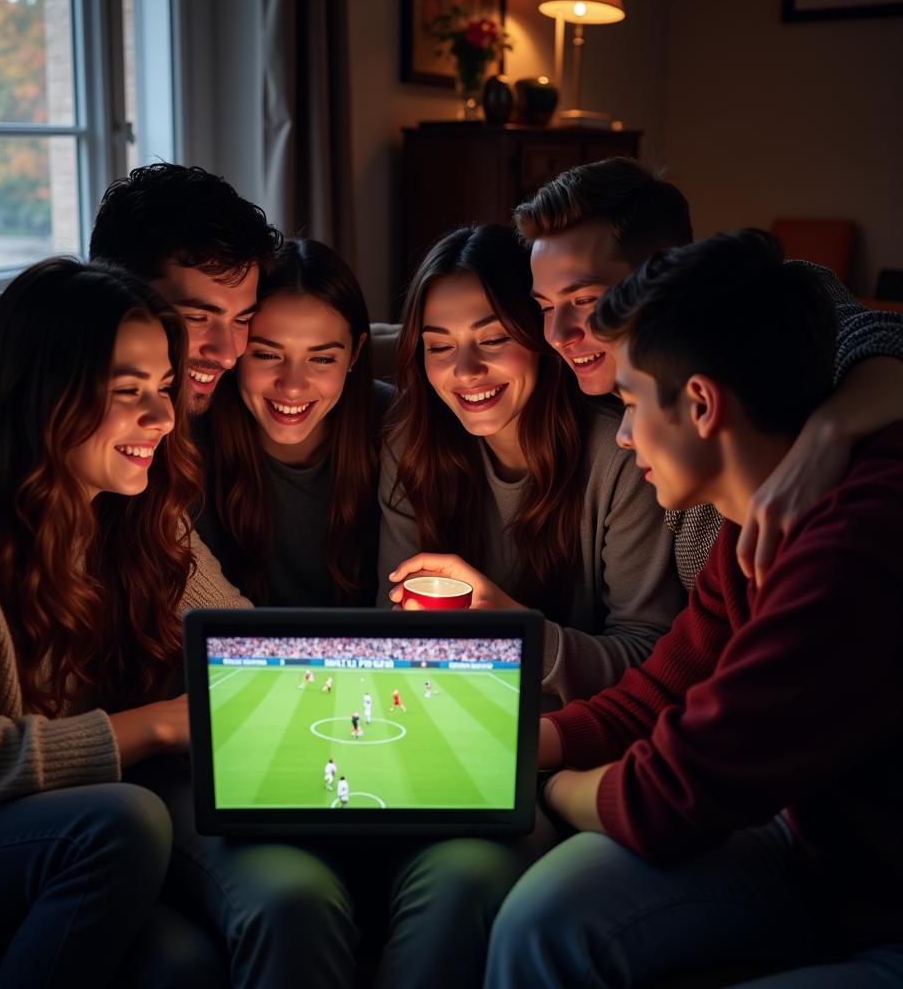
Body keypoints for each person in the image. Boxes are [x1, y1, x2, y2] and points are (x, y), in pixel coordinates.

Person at [485, 230, 903, 988]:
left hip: (884, 908)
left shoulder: (854, 547)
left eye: (633, 401)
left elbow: (666, 795)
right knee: (547, 916)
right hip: (808, 849)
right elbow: (659, 694)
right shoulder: (746, 528)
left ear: (702, 404)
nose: (622, 432)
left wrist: (547, 788)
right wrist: (516, 743)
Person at [0, 259, 250, 985]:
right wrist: (161, 724)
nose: (163, 418)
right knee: (126, 820)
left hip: (53, 840)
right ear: (46, 397)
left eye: (165, 388)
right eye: (127, 393)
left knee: (186, 965)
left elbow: (237, 649)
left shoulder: (138, 503)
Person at [514, 156, 903, 590]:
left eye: (585, 300)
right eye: (545, 306)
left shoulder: (761, 312)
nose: (557, 334)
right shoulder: (565, 384)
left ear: (662, 273)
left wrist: (829, 433)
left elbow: (887, 337)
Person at [380, 224, 684, 706]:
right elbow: (392, 635)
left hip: (580, 730)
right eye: (439, 346)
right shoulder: (411, 445)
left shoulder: (623, 451)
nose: (465, 370)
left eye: (494, 338)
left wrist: (513, 633)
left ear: (539, 336)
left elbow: (649, 654)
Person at [0, 162, 283, 462]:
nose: (227, 353)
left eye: (242, 319)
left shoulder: (219, 400)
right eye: (196, 317)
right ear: (112, 285)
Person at [197, 238, 390, 606]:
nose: (292, 386)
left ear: (355, 354)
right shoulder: (190, 436)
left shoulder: (400, 427)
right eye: (268, 354)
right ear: (236, 350)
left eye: (321, 360)